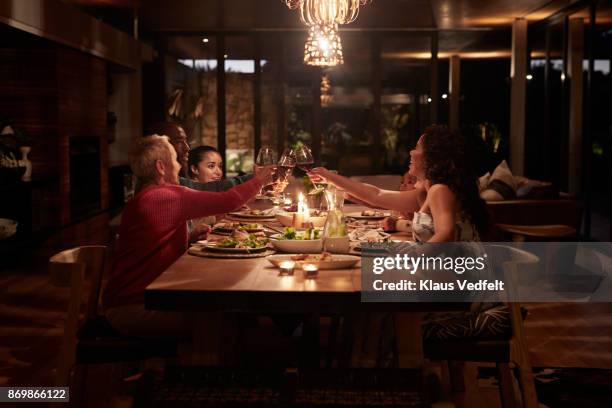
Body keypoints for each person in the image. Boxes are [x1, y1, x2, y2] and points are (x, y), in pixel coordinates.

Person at [103, 135, 273, 339]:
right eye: (174, 160)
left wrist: (189, 238)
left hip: (130, 300)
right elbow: (228, 201)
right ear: (160, 167)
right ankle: (200, 368)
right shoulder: (168, 196)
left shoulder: (144, 197)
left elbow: (151, 243)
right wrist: (259, 180)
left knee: (221, 311)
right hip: (137, 307)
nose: (179, 166)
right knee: (218, 318)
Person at [309, 125, 488, 242]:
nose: (411, 152)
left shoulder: (440, 190)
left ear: (433, 157)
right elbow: (376, 195)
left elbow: (445, 232)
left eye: (417, 148)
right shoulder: (425, 192)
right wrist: (329, 177)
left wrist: (413, 261)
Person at [147, 122, 253, 191]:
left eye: (220, 166)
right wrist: (256, 177)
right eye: (179, 141)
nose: (187, 148)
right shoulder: (158, 185)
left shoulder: (174, 179)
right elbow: (208, 190)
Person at [187, 146, 225, 238]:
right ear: (194, 169)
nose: (218, 172)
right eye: (211, 166)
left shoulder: (210, 192)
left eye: (220, 166)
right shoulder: (188, 194)